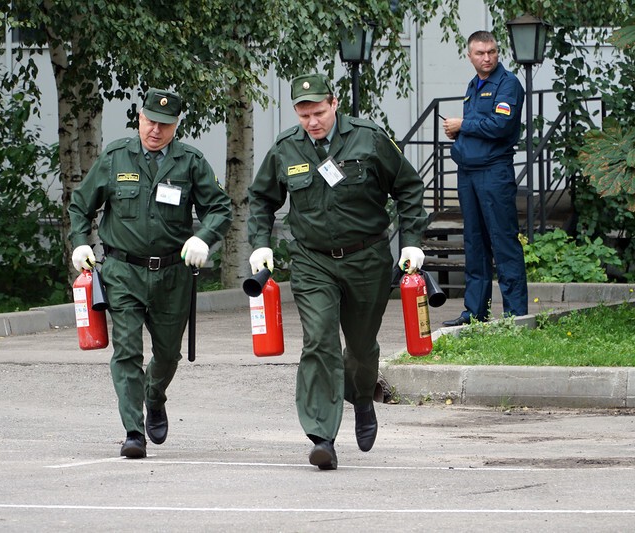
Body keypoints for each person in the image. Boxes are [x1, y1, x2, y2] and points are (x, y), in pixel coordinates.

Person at [247, 73, 427, 470]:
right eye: (303, 113)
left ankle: (362, 397)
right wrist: (260, 243)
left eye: (319, 111)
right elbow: (261, 198)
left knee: (361, 349)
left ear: (334, 103)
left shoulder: (369, 138)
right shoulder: (285, 149)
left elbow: (409, 189)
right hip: (313, 261)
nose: (312, 121)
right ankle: (322, 435)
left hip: (367, 257)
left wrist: (411, 240)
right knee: (319, 341)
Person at [69, 88, 232, 459]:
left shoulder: (190, 161)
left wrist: (204, 239)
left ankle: (154, 396)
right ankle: (133, 431)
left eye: (164, 124)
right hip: (122, 271)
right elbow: (81, 204)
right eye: (149, 121)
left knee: (168, 355)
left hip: (172, 275)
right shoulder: (115, 157)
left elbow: (220, 208)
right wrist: (80, 242)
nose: (155, 130)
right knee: (126, 350)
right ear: (138, 118)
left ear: (176, 126)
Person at [442, 30, 528, 326]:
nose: (487, 57)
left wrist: (463, 124)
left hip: (494, 172)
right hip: (468, 174)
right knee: (474, 242)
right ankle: (474, 312)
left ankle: (516, 315)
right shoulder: (473, 85)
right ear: (470, 56)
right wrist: (458, 131)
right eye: (480, 53)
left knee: (503, 242)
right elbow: (481, 126)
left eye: (491, 51)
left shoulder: (508, 84)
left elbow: (500, 125)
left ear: (498, 52)